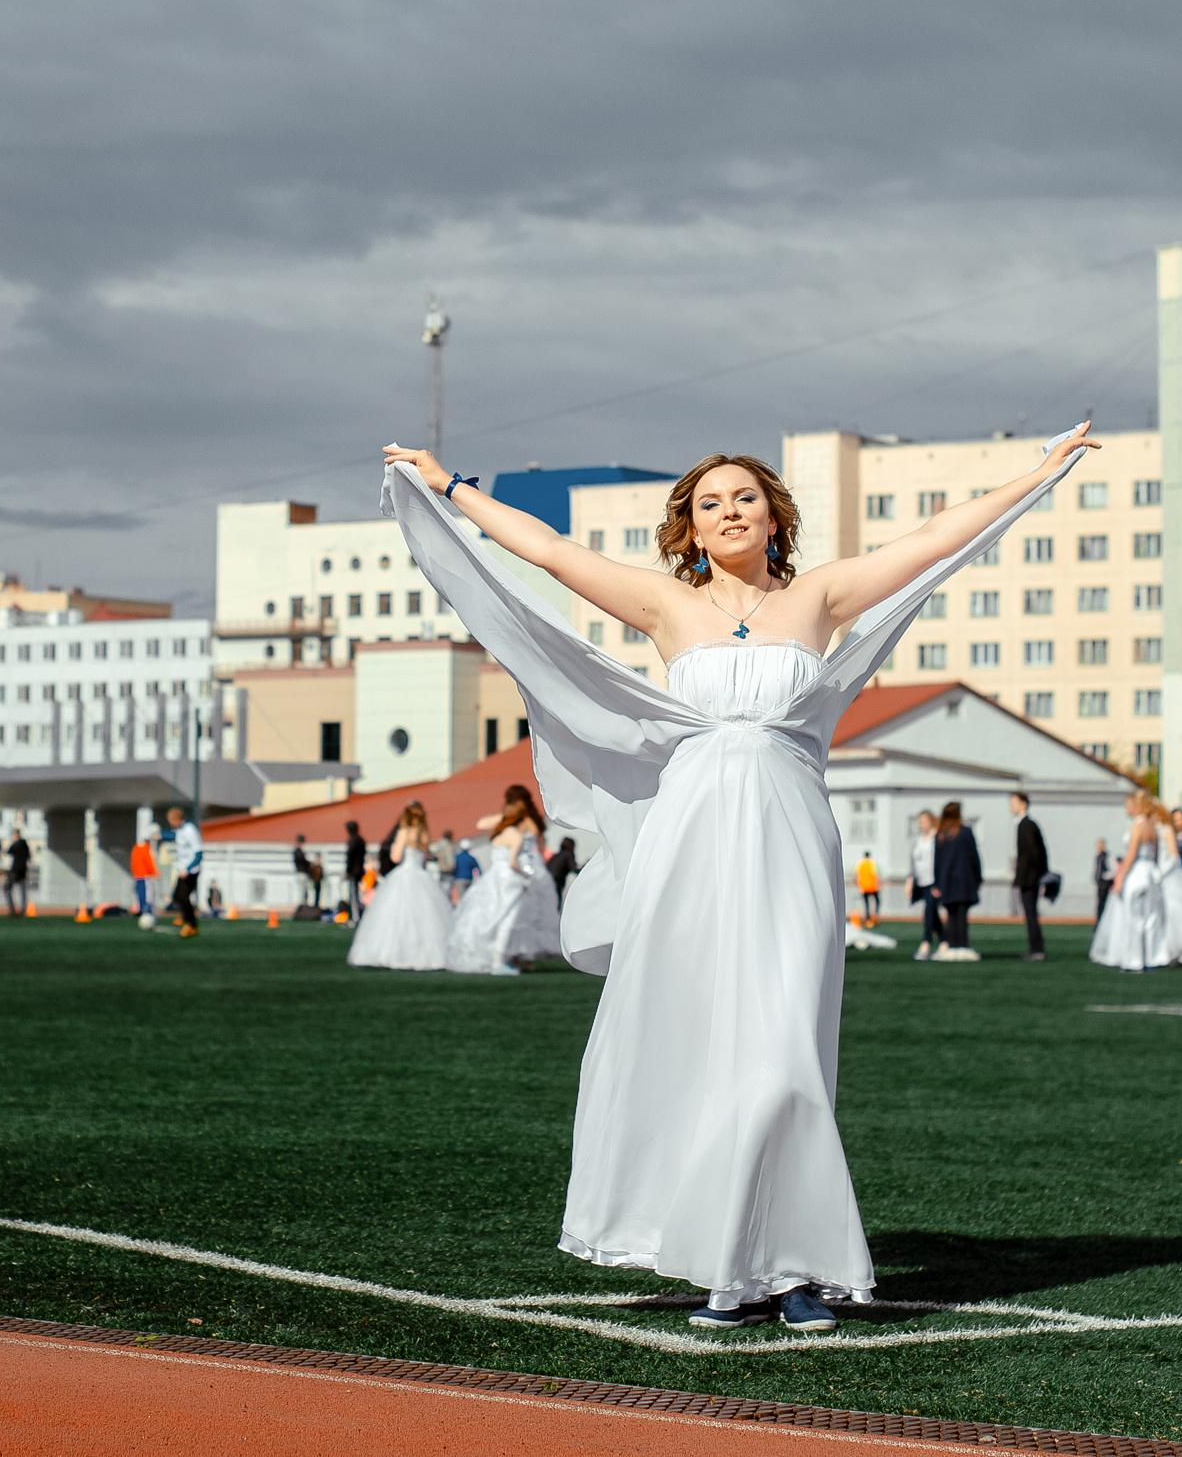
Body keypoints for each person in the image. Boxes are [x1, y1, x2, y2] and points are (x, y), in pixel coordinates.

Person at [383, 422, 1095, 1333]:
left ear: (772, 516)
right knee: (703, 1043)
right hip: (691, 842)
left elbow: (928, 542)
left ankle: (795, 1263)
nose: (727, 512)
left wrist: (1035, 476)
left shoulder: (820, 596)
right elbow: (550, 551)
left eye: (743, 497)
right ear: (688, 525)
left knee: (783, 1044)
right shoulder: (663, 605)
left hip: (792, 835)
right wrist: (451, 489)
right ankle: (730, 1262)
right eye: (708, 502)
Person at [445, 785, 558, 974]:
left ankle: (511, 955)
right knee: (529, 913)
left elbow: (481, 824)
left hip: (516, 866)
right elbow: (539, 845)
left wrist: (505, 817)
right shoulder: (532, 821)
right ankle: (522, 956)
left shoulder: (513, 824)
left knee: (515, 913)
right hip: (528, 865)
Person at [348, 801, 455, 969]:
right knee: (425, 917)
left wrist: (392, 849)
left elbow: (396, 858)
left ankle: (395, 953)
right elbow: (425, 857)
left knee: (394, 916)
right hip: (421, 876)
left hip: (404, 874)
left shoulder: (404, 832)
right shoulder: (424, 834)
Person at [1091, 792, 1167, 971]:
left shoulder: (1137, 827)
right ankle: (1151, 958)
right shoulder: (1152, 827)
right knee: (1150, 918)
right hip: (1151, 874)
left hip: (1137, 873)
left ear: (1137, 806)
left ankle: (1134, 960)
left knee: (1133, 918)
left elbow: (1131, 855)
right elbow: (1155, 854)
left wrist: (1120, 879)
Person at [930, 802, 982, 961]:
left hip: (947, 881)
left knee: (951, 914)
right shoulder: (965, 832)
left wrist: (937, 882)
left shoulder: (941, 834)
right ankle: (962, 945)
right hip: (965, 880)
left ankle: (952, 944)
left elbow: (937, 861)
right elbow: (974, 857)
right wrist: (978, 876)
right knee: (962, 914)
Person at [1008, 792, 1048, 961]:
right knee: (1030, 912)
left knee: (1030, 913)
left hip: (1029, 878)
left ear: (1023, 804)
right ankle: (1036, 948)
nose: (1011, 807)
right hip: (1031, 876)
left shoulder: (1026, 825)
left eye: (1014, 803)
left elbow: (1034, 853)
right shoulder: (1026, 824)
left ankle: (1037, 949)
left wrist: (1028, 874)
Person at [165, 805, 203, 937]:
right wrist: (160, 834)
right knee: (177, 896)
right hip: (183, 869)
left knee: (182, 896)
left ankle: (191, 924)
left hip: (191, 871)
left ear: (177, 819)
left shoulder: (190, 830)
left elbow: (198, 854)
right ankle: (187, 919)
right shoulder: (180, 830)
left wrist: (187, 869)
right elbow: (174, 836)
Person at [909, 811, 942, 960]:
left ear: (931, 821)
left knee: (929, 910)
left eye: (923, 821)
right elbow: (913, 861)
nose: (920, 825)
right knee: (933, 912)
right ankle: (944, 939)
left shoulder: (937, 838)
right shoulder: (918, 840)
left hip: (933, 882)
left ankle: (926, 942)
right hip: (921, 882)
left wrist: (940, 883)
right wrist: (910, 880)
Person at [341, 820, 367, 924]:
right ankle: (357, 915)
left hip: (354, 872)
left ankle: (355, 917)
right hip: (360, 870)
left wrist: (347, 870)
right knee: (357, 894)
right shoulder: (361, 840)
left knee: (353, 895)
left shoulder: (353, 840)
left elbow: (349, 857)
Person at [128, 830, 156, 917]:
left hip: (137, 875)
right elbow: (148, 861)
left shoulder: (135, 849)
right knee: (147, 893)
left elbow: (133, 863)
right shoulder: (144, 848)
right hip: (145, 875)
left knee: (139, 892)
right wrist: (154, 872)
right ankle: (146, 909)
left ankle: (140, 909)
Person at [5, 828, 33, 915]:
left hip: (16, 870)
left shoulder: (17, 844)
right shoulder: (24, 845)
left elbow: (8, 851)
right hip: (22, 870)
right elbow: (29, 857)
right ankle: (22, 909)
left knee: (8, 888)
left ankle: (13, 909)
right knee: (23, 890)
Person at [292, 834, 323, 910]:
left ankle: (304, 906)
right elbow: (303, 861)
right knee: (302, 891)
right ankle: (302, 907)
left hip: (304, 873)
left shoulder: (301, 851)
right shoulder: (298, 851)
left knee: (305, 890)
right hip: (301, 873)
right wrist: (311, 864)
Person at [1090, 838, 1113, 928]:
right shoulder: (1098, 857)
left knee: (1104, 903)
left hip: (1105, 885)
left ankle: (1104, 922)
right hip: (1099, 884)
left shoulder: (1106, 857)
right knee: (1099, 903)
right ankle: (1099, 922)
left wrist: (1105, 879)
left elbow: (1110, 870)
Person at [853, 851, 880, 926]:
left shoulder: (859, 863)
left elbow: (855, 875)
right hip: (873, 886)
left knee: (866, 902)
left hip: (863, 886)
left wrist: (858, 885)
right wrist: (879, 885)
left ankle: (868, 916)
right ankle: (875, 915)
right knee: (877, 901)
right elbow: (876, 874)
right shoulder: (873, 862)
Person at [451, 838, 481, 904]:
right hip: (469, 879)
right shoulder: (471, 857)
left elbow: (453, 867)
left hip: (459, 879)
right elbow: (478, 868)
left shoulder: (457, 857)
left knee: (462, 898)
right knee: (469, 896)